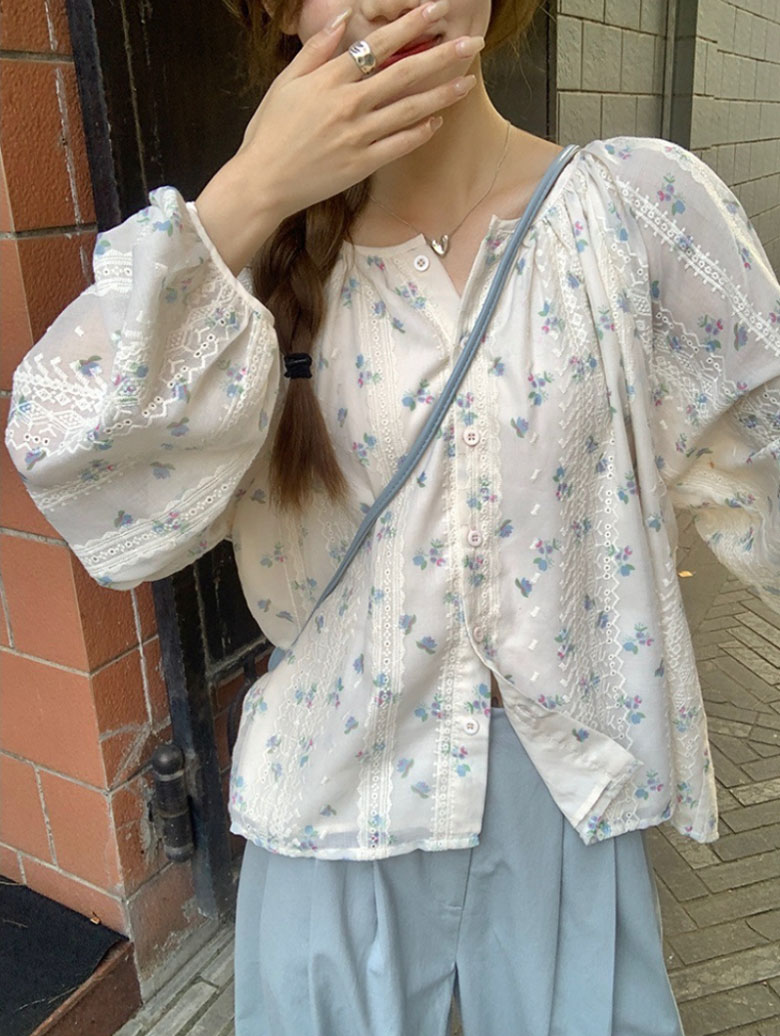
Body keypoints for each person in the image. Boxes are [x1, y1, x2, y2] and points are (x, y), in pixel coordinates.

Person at [5, 0, 780, 1030]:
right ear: (281, 10)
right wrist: (250, 190)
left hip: (563, 800)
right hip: (330, 799)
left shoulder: (634, 213)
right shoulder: (233, 271)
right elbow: (74, 465)